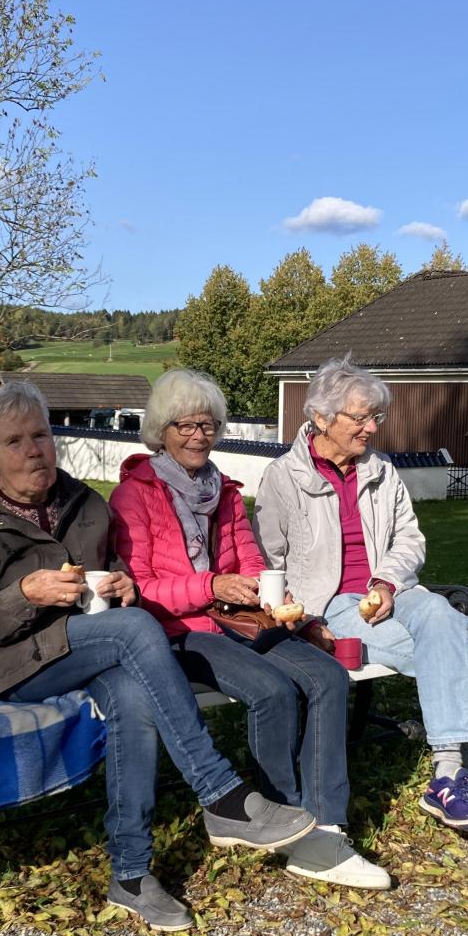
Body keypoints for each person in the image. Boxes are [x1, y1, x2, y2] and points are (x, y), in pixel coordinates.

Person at [0, 379, 317, 932]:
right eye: (15, 441)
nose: (34, 450)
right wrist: (24, 594)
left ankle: (130, 873)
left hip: (93, 648)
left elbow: (126, 582)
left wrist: (122, 586)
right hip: (18, 664)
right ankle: (220, 792)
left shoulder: (84, 504)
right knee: (135, 630)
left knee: (132, 700)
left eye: (42, 435)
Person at [109, 368, 390, 890]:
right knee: (271, 690)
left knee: (327, 676)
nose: (199, 437)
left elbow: (251, 560)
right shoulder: (135, 496)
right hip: (175, 631)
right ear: (161, 431)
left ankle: (326, 823)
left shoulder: (226, 491)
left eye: (209, 425)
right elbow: (140, 588)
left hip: (238, 620)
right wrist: (213, 584)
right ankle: (280, 821)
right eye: (185, 426)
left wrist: (276, 596)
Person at [253, 356, 468, 845]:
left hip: (388, 592)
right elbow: (269, 560)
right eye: (361, 418)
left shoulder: (382, 471)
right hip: (327, 608)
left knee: (444, 617)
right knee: (450, 651)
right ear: (322, 418)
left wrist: (388, 582)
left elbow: (409, 540)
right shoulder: (283, 477)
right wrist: (301, 616)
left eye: (377, 418)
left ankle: (448, 775)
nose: (371, 428)